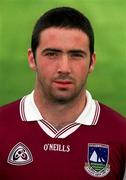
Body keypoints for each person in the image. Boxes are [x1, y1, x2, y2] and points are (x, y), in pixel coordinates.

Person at [0, 6, 126, 180]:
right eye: (52, 54)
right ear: (32, 59)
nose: (64, 68)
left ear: (92, 62)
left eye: (76, 55)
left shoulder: (121, 134)